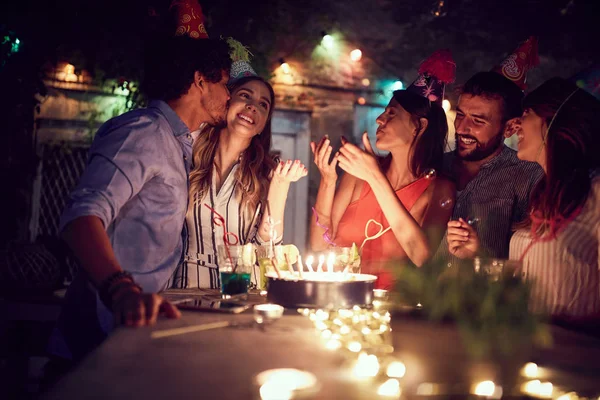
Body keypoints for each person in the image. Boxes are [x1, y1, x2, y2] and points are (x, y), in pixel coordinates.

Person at [46, 10, 232, 369]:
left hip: (133, 333)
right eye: (224, 83)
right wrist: (121, 290)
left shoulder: (179, 143)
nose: (229, 95)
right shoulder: (143, 132)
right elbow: (81, 216)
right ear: (199, 81)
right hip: (95, 339)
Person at [310, 50, 457, 289]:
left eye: (391, 113)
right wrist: (327, 181)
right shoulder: (360, 173)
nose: (380, 119)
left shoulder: (439, 189)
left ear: (419, 126)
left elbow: (422, 256)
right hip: (337, 297)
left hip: (394, 312)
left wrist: (375, 177)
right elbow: (318, 245)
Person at [171, 47, 307, 289]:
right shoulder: (187, 153)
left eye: (263, 105)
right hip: (186, 285)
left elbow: (268, 247)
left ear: (263, 124)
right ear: (228, 101)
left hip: (241, 290)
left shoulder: (266, 173)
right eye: (245, 96)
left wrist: (280, 185)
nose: (253, 106)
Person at [440, 37, 544, 262]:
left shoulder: (527, 178)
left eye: (478, 121)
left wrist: (481, 257)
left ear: (510, 128)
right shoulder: (436, 166)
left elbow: (533, 262)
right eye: (460, 115)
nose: (461, 128)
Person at [510, 78, 600, 318]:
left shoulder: (596, 191)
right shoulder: (543, 193)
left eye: (527, 113)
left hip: (573, 350)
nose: (517, 124)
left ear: (554, 120)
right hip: (525, 346)